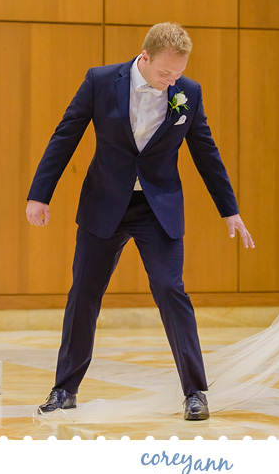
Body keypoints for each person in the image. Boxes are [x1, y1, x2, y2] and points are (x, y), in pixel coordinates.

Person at [25, 22, 254, 422]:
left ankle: (195, 392)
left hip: (157, 208)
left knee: (171, 291)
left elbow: (206, 151)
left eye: (178, 73)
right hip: (104, 205)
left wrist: (229, 208)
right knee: (84, 294)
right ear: (144, 57)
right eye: (165, 73)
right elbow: (66, 135)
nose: (172, 81)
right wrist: (39, 194)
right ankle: (64, 389)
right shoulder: (99, 81)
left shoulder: (189, 93)